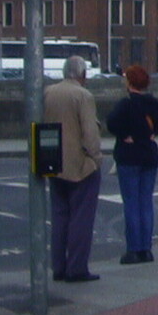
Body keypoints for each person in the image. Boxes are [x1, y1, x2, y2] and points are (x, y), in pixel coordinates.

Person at [106, 64, 158, 265]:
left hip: (129, 156)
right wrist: (154, 130)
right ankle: (146, 248)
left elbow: (111, 123)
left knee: (131, 204)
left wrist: (125, 135)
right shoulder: (151, 103)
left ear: (129, 82)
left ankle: (133, 249)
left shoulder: (125, 104)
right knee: (146, 202)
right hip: (148, 154)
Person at [44, 55, 103, 282]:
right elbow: (90, 133)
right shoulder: (83, 95)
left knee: (59, 217)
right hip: (80, 165)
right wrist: (96, 158)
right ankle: (76, 267)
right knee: (81, 218)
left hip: (53, 161)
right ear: (83, 74)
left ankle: (58, 266)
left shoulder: (48, 92)